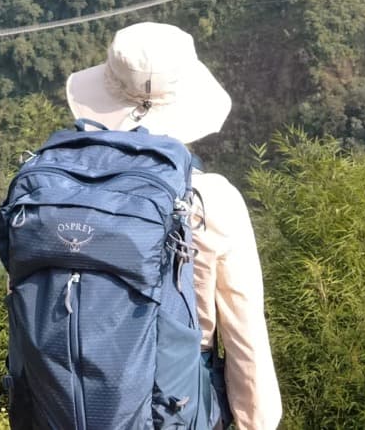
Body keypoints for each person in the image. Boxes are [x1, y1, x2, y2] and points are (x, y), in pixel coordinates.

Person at [64, 21, 282, 430]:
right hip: (172, 406)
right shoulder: (210, 199)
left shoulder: (58, 188)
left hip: (64, 403)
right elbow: (244, 338)